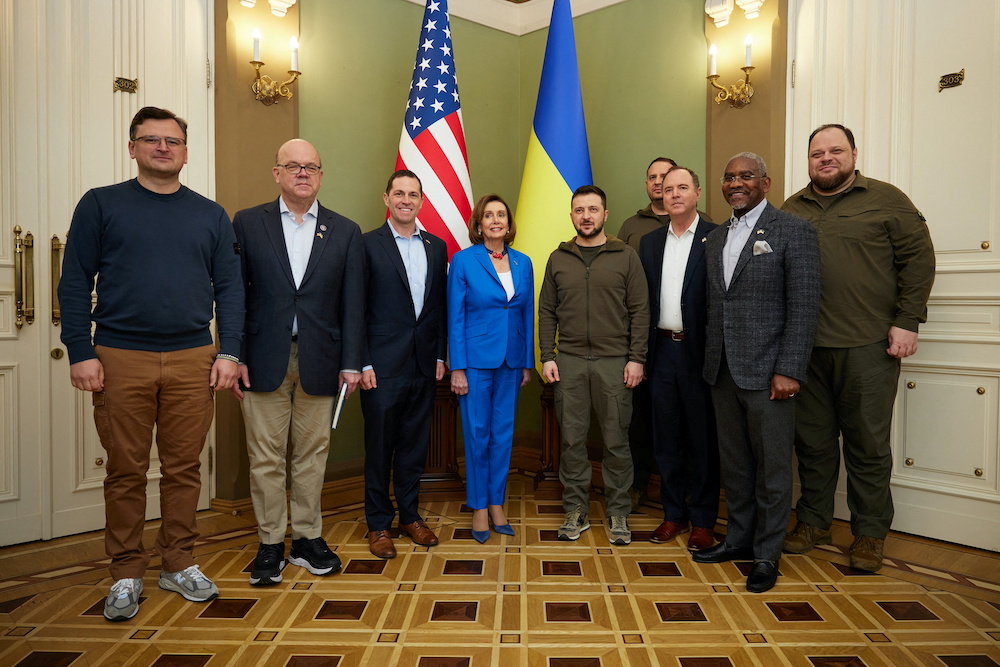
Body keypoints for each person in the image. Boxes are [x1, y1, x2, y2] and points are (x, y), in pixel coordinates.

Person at [58, 106, 244, 621]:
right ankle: (125, 572)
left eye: (173, 141)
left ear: (185, 151)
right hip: (119, 357)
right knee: (125, 470)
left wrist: (228, 352)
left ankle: (178, 562)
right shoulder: (101, 205)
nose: (163, 148)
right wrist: (80, 349)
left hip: (192, 357)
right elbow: (74, 280)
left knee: (185, 468)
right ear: (133, 147)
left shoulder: (209, 214)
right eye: (152, 139)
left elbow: (229, 288)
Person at [781, 124, 935, 572]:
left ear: (853, 154)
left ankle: (869, 534)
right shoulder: (793, 208)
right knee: (812, 444)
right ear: (808, 160)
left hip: (868, 345)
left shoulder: (887, 199)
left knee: (868, 445)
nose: (826, 158)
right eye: (817, 153)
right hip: (806, 350)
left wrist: (907, 322)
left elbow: (918, 261)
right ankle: (813, 522)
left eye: (835, 151)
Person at [231, 139, 364, 585]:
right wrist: (234, 355)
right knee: (265, 458)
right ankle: (270, 544)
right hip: (262, 359)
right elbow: (236, 297)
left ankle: (307, 539)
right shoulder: (249, 224)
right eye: (293, 166)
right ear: (277, 173)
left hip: (322, 361)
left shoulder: (344, 230)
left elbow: (353, 304)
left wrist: (352, 362)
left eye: (311, 167)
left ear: (321, 176)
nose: (302, 173)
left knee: (311, 456)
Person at [694, 152, 820, 593]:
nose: (735, 183)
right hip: (722, 370)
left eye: (746, 176)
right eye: (729, 177)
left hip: (771, 373)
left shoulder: (794, 231)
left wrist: (790, 369)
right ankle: (738, 539)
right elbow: (716, 305)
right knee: (736, 465)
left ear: (766, 183)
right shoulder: (714, 238)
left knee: (771, 469)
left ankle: (767, 554)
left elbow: (804, 307)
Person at [538, 185, 649, 546]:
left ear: (605, 214)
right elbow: (546, 311)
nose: (586, 216)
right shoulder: (559, 258)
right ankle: (576, 510)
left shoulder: (626, 256)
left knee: (616, 442)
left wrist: (636, 358)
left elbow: (640, 311)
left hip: (614, 363)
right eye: (579, 210)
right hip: (568, 362)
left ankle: (618, 511)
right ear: (572, 216)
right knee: (572, 442)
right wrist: (547, 355)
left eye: (593, 209)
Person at [361, 169, 448, 559]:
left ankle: (409, 516)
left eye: (413, 194)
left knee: (414, 445)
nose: (406, 200)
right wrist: (360, 361)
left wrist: (441, 355)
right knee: (380, 447)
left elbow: (439, 307)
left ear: (421, 201)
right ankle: (378, 523)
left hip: (423, 363)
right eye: (399, 193)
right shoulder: (366, 245)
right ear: (386, 198)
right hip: (379, 366)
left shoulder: (437, 246)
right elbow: (356, 309)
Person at [638, 166, 720, 552]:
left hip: (700, 352)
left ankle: (703, 519)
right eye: (667, 188)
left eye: (682, 187)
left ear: (697, 193)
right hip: (661, 351)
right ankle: (673, 514)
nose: (673, 194)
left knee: (702, 439)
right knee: (666, 438)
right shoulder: (650, 242)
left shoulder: (717, 237)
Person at [448, 195, 534, 543]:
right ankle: (479, 507)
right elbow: (454, 316)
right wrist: (458, 368)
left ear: (509, 223)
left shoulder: (523, 262)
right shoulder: (463, 261)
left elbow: (526, 314)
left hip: (511, 361)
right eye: (489, 215)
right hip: (475, 362)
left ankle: (497, 502)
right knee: (477, 433)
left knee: (503, 435)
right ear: (479, 224)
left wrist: (528, 362)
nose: (496, 220)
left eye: (501, 214)